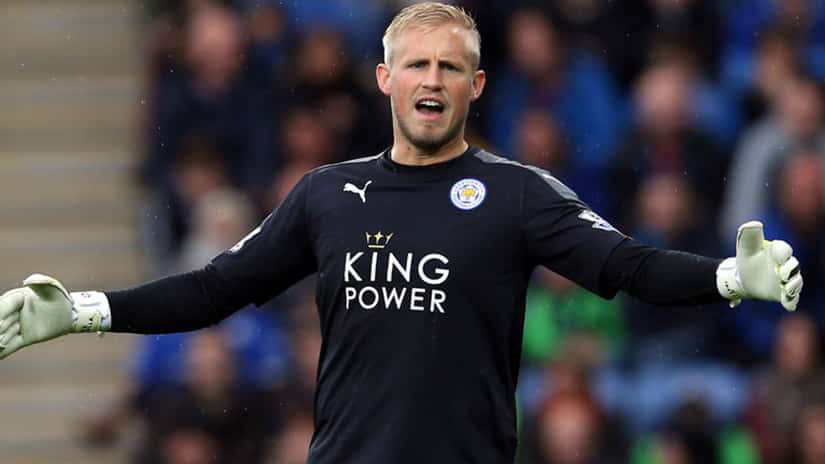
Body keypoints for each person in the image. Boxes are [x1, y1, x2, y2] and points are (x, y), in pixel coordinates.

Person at [0, 3, 804, 463]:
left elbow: (627, 266)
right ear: (385, 79)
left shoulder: (517, 194)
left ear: (475, 85)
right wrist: (84, 311)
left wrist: (729, 279)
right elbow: (214, 289)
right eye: (415, 64)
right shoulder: (326, 194)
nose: (431, 79)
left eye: (449, 67)